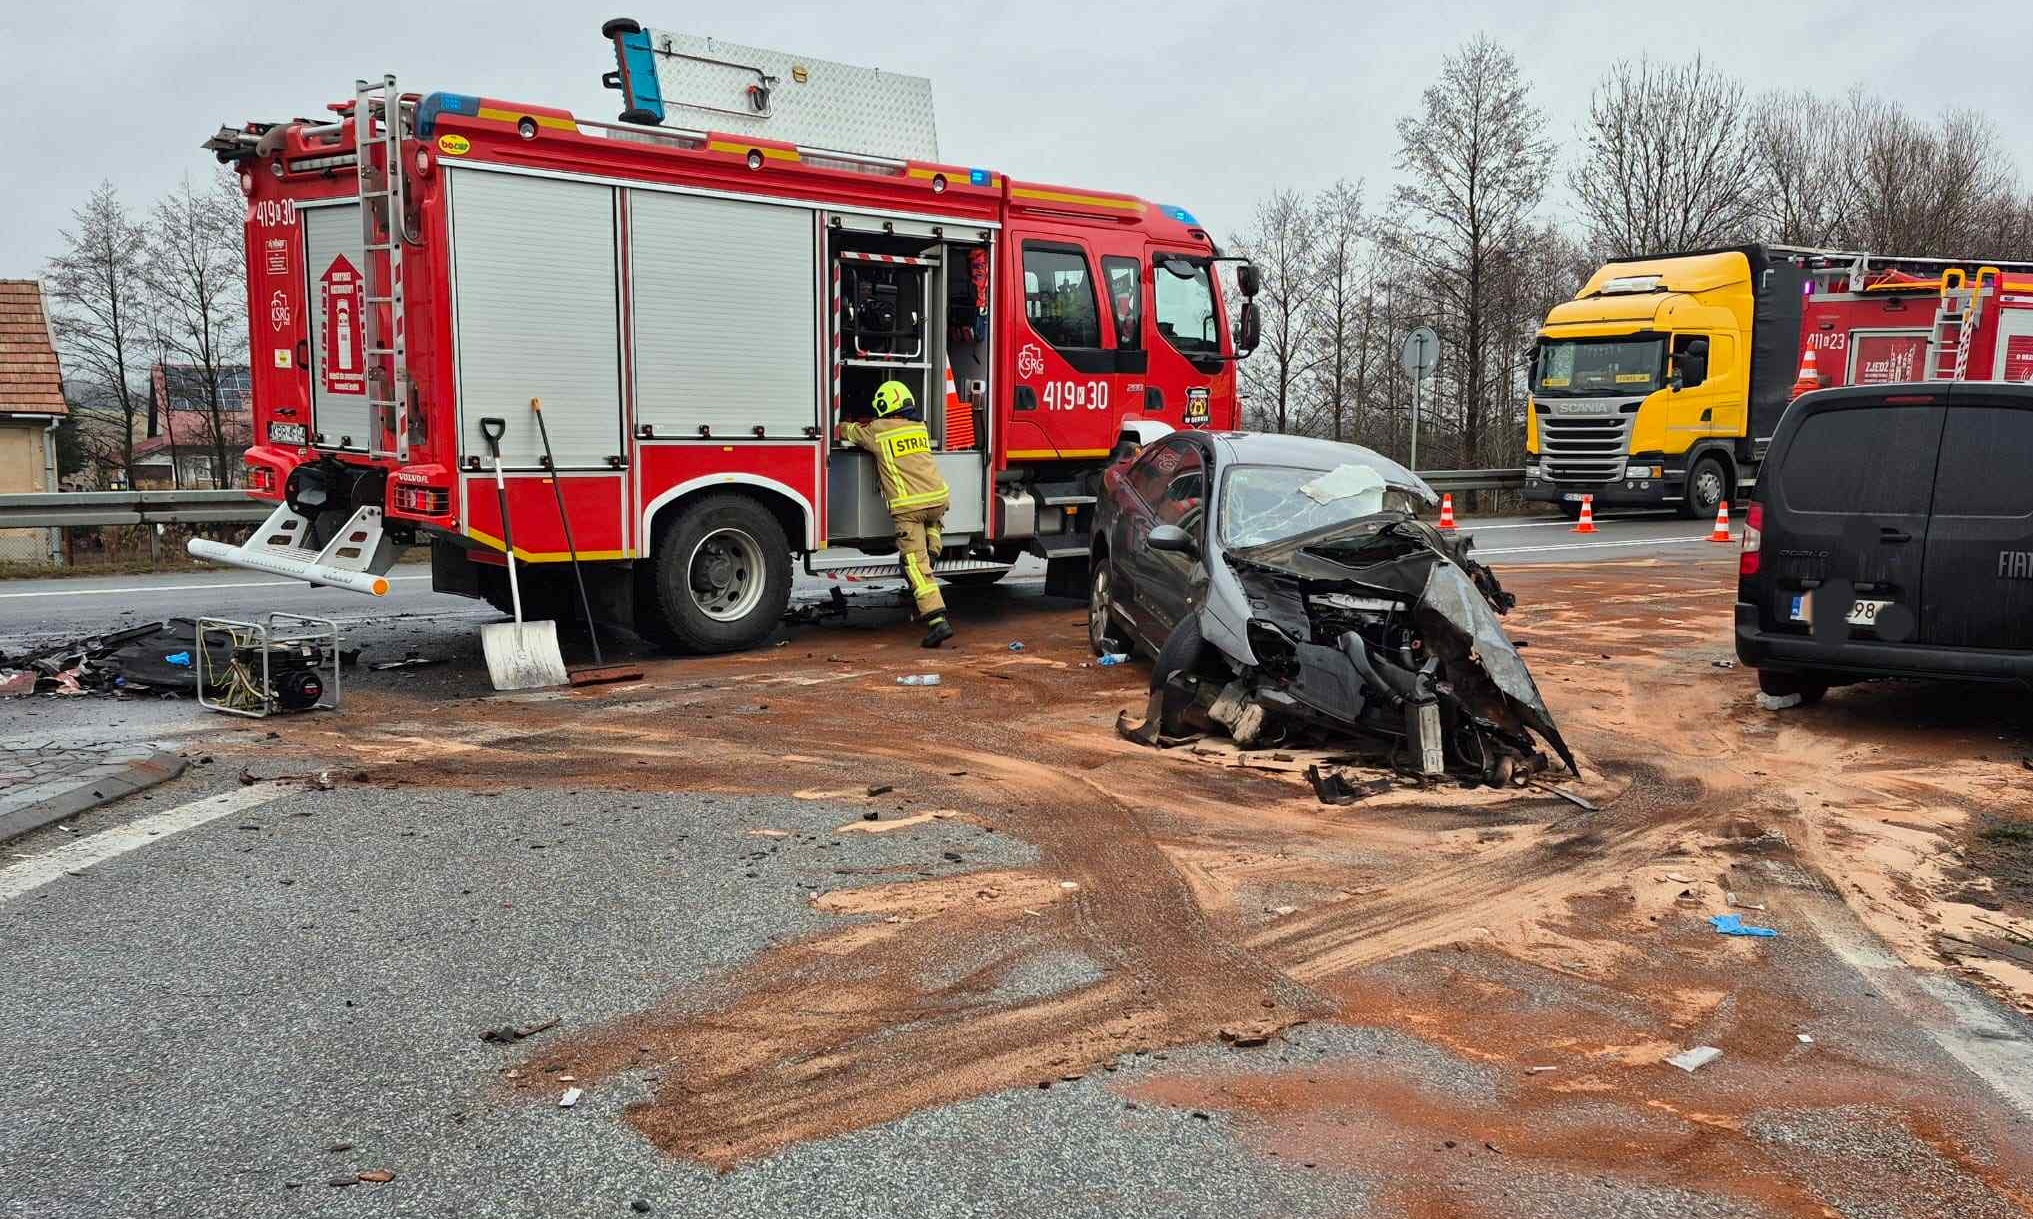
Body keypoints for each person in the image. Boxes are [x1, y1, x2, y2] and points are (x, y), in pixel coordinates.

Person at [839, 380, 953, 647]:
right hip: (938, 500)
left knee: (914, 565)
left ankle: (937, 620)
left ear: (884, 406)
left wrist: (843, 423)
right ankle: (933, 548)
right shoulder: (920, 427)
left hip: (909, 509)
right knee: (933, 520)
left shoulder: (878, 431)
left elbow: (851, 432)